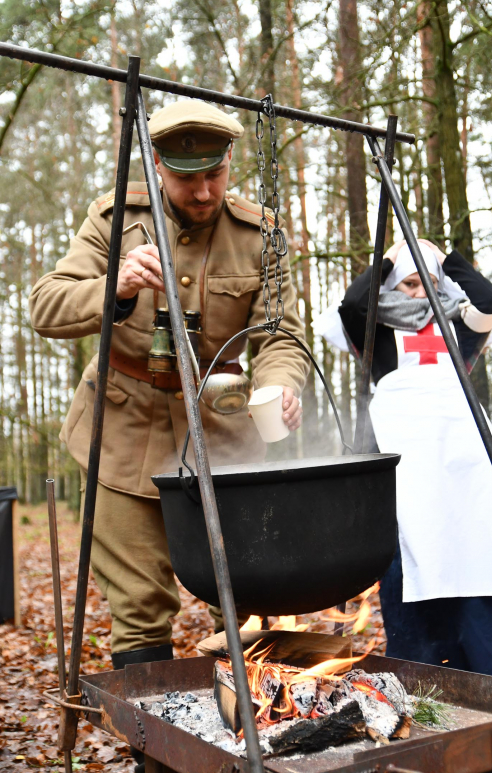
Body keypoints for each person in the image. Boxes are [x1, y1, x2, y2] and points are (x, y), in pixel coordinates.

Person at [29, 101, 309, 668]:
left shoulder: (260, 235)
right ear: (157, 166)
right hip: (121, 436)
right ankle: (155, 751)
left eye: (215, 174)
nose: (204, 192)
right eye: (187, 178)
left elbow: (282, 337)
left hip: (225, 439)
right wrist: (117, 284)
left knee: (244, 590)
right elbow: (46, 307)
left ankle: (252, 727)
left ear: (231, 161)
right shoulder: (113, 220)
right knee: (139, 602)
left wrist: (281, 384)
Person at [338, 239, 492, 679]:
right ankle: (423, 686)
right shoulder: (378, 332)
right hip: (407, 472)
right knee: (410, 568)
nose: (422, 291)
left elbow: (491, 300)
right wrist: (392, 253)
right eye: (410, 283)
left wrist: (440, 258)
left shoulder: (462, 325)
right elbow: (353, 301)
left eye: (429, 282)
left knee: (475, 571)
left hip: (463, 469)